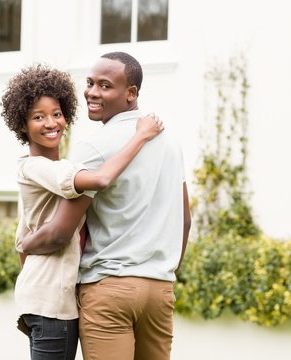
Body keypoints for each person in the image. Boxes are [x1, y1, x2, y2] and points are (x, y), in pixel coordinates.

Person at [21, 52, 192, 360]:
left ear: (131, 93)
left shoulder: (94, 146)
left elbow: (61, 232)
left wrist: (25, 244)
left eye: (104, 85)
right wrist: (163, 270)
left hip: (108, 290)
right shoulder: (170, 143)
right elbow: (186, 221)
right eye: (89, 83)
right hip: (160, 288)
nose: (93, 93)